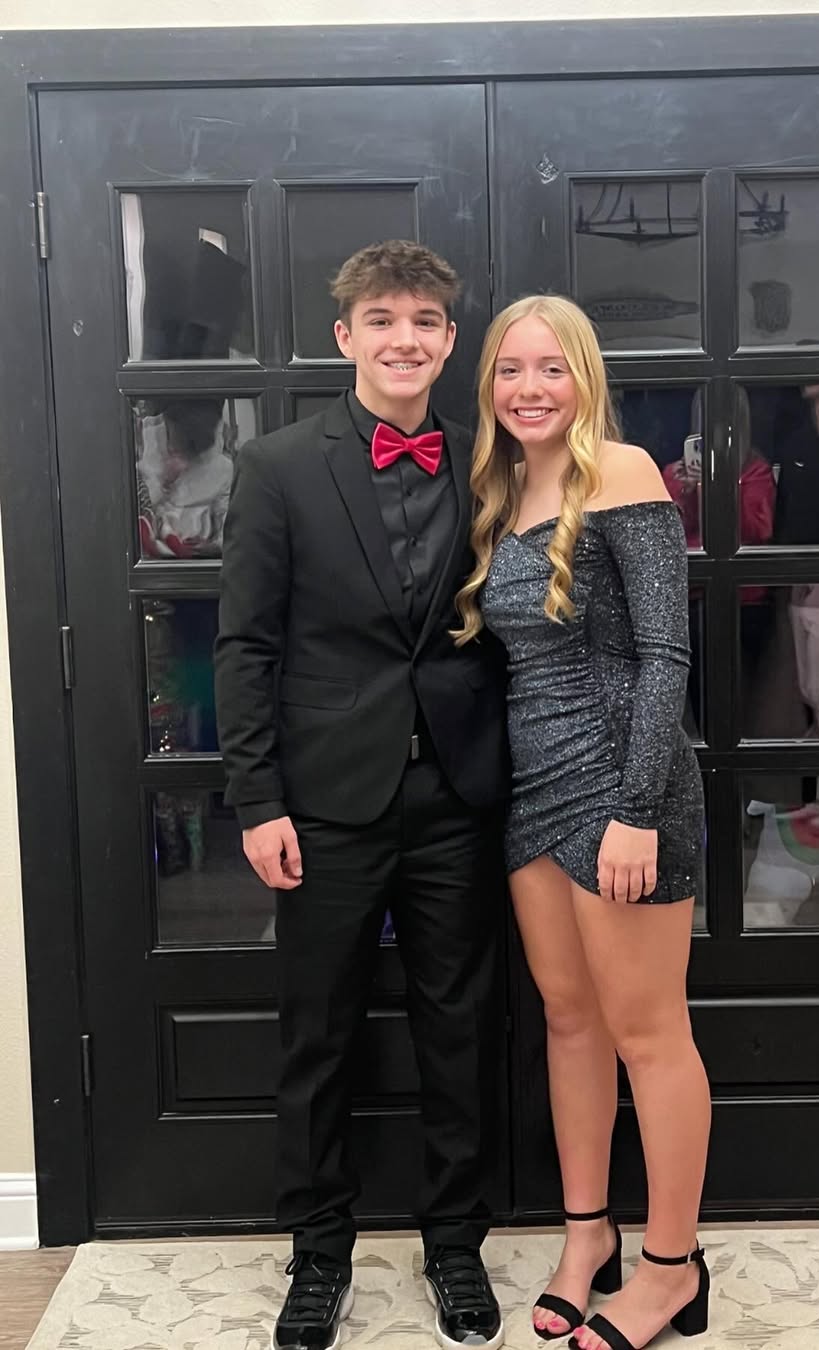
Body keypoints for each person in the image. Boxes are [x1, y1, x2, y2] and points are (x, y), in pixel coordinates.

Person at [214, 240, 508, 1350]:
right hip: (324, 802)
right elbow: (246, 645)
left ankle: (455, 1247)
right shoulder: (279, 466)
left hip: (460, 796)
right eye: (382, 319)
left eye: (424, 320)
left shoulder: (492, 461)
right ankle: (318, 1256)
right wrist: (257, 800)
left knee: (458, 1029)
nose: (404, 338)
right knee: (319, 1035)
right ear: (345, 337)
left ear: (449, 339)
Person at [453, 295, 711, 1350]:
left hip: (623, 791)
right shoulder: (500, 490)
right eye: (511, 369)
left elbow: (666, 653)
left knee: (650, 1034)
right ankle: (587, 1236)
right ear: (490, 386)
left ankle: (670, 1269)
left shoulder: (626, 472)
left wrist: (636, 809)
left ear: (584, 378)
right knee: (570, 1022)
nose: (530, 389)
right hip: (533, 793)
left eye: (551, 368)